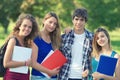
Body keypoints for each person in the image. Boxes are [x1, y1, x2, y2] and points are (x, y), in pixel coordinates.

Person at [58, 8, 94, 80]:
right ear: (72, 20)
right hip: (65, 75)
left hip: (83, 77)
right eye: (76, 19)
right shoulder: (64, 37)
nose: (78, 22)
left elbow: (94, 57)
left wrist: (89, 70)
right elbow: (58, 55)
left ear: (85, 21)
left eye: (82, 20)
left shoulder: (91, 37)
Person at [3, 13, 39, 80]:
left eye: (29, 27)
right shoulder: (13, 40)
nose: (27, 29)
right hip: (12, 76)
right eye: (24, 26)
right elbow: (6, 63)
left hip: (24, 76)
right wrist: (24, 63)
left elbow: (33, 62)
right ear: (19, 26)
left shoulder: (28, 42)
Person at [31, 12, 61, 80]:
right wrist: (50, 72)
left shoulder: (55, 39)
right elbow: (33, 63)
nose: (52, 25)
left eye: (55, 24)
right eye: (50, 22)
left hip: (53, 78)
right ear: (44, 21)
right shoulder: (36, 37)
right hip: (38, 77)